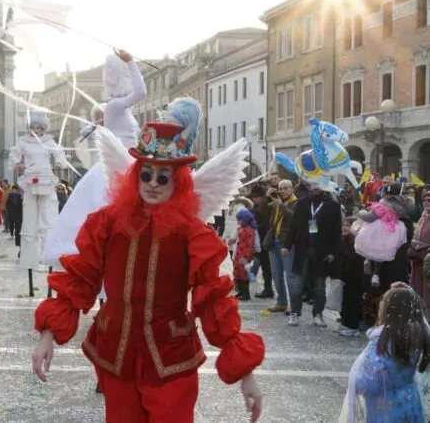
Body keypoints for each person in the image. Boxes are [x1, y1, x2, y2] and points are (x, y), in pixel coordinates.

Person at [32, 120, 264, 423]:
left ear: (177, 181)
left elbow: (214, 300)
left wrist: (245, 372)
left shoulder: (192, 233)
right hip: (115, 354)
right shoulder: (107, 223)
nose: (153, 183)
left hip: (171, 358)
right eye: (146, 174)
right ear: (135, 175)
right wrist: (48, 334)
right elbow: (81, 279)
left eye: (163, 177)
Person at [40, 49, 147, 268]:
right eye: (125, 74)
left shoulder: (121, 108)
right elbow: (141, 91)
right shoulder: (115, 106)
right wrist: (131, 62)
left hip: (129, 161)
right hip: (120, 163)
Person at [340, 287, 429, 422]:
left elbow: (368, 382)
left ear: (389, 311)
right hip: (410, 403)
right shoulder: (419, 335)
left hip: (385, 411)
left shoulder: (382, 341)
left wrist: (356, 380)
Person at [9, 112, 67, 268]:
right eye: (33, 127)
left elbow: (59, 152)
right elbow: (14, 154)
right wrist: (17, 163)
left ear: (43, 129)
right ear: (30, 128)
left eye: (39, 128)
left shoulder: (48, 141)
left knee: (48, 217)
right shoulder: (24, 141)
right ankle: (29, 260)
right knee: (29, 218)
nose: (36, 130)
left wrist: (60, 163)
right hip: (30, 178)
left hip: (46, 178)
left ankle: (49, 255)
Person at [282, 182, 342, 327]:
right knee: (297, 285)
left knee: (320, 287)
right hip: (303, 249)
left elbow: (336, 231)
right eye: (310, 186)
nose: (313, 188)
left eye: (317, 185)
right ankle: (295, 313)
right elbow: (294, 226)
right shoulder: (303, 203)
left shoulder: (332, 205)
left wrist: (333, 252)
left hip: (321, 251)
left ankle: (318, 314)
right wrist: (287, 245)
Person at [354, 183, 409, 288]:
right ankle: (375, 274)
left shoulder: (382, 205)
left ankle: (368, 259)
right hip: (394, 229)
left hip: (380, 228)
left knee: (369, 242)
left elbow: (370, 218)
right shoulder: (401, 208)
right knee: (383, 251)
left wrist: (360, 212)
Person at [266, 179, 297, 313]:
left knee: (290, 275)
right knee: (276, 274)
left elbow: (293, 218)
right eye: (281, 188)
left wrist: (281, 206)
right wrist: (269, 198)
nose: (283, 191)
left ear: (292, 189)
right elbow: (268, 219)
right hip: (275, 241)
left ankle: (294, 305)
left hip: (287, 243)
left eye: (286, 188)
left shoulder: (296, 203)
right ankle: (281, 302)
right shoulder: (277, 202)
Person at [337, 217, 364, 337]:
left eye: (347, 225)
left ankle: (353, 327)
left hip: (355, 277)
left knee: (353, 302)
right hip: (345, 277)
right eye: (343, 225)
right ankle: (345, 323)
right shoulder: (343, 240)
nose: (344, 227)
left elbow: (353, 260)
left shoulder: (358, 242)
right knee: (346, 301)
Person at [409, 190, 430, 312]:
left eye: (429, 200)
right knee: (417, 289)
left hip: (428, 262)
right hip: (417, 261)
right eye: (424, 200)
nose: (426, 202)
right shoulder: (422, 217)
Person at [233, 209, 257, 301]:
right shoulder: (241, 228)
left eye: (239, 219)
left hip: (243, 256)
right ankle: (241, 292)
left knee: (243, 274)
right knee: (237, 273)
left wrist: (246, 258)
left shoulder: (249, 230)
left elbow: (249, 245)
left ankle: (246, 294)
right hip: (238, 255)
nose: (238, 221)